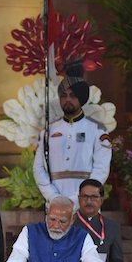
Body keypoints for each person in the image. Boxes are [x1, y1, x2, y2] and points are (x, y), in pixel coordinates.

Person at [33, 65, 112, 209]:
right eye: (63, 95)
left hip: (86, 203)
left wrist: (79, 198)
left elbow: (101, 168)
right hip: (54, 204)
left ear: (81, 98)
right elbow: (39, 168)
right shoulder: (48, 131)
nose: (67, 99)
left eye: (73, 95)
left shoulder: (96, 129)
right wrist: (53, 197)